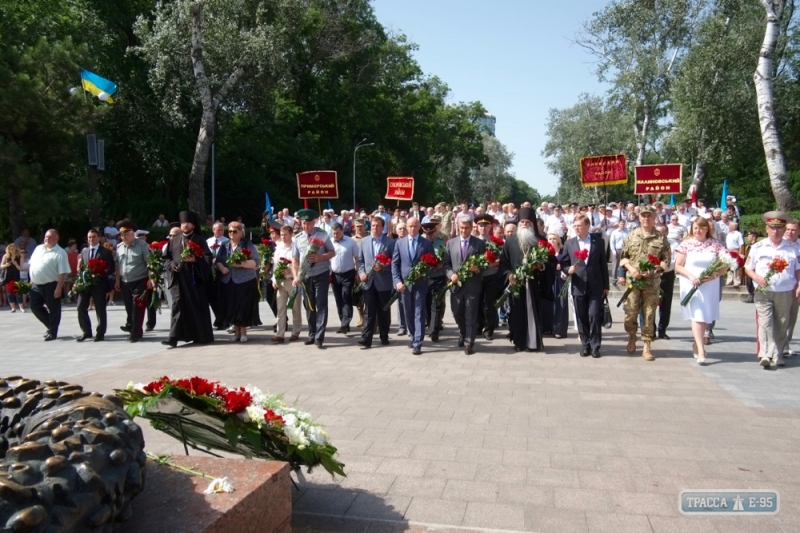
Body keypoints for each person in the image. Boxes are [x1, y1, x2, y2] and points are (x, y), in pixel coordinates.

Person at [745, 211, 800, 368]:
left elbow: (798, 270)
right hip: (763, 291)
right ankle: (764, 354)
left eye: (779, 228)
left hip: (785, 290)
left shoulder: (792, 248)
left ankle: (777, 353)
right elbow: (748, 267)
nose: (775, 231)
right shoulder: (758, 247)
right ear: (766, 229)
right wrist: (756, 278)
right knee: (765, 322)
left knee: (782, 323)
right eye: (772, 228)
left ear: (783, 230)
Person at [618, 205, 672, 361]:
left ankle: (647, 345)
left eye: (649, 216)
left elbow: (666, 261)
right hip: (633, 281)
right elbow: (623, 257)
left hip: (652, 283)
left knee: (649, 314)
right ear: (639, 217)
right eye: (643, 216)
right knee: (630, 312)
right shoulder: (631, 236)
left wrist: (655, 269)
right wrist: (630, 269)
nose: (646, 218)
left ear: (654, 217)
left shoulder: (661, 238)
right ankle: (632, 336)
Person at [674, 217, 728, 364]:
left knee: (705, 317)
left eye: (701, 228)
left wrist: (714, 275)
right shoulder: (686, 244)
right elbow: (678, 266)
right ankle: (701, 349)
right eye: (695, 228)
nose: (698, 231)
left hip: (710, 285)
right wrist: (691, 276)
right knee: (697, 315)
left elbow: (726, 264)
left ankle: (697, 343)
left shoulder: (715, 244)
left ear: (707, 229)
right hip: (691, 283)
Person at [499, 207, 550, 352]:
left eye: (528, 222)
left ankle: (533, 343)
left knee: (532, 311)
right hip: (516, 284)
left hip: (534, 284)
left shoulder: (540, 241)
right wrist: (509, 276)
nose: (525, 224)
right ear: (518, 223)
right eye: (522, 221)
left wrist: (540, 266)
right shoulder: (510, 242)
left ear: (532, 223)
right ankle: (519, 342)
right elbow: (504, 264)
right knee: (517, 313)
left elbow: (549, 262)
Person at [162, 211, 215, 348]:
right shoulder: (174, 240)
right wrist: (172, 265)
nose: (185, 225)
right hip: (179, 280)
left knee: (197, 306)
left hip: (194, 279)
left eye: (187, 223)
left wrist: (195, 259)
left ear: (193, 225)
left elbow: (208, 258)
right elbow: (166, 259)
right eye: (183, 223)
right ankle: (173, 337)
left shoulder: (199, 239)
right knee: (177, 306)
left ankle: (201, 336)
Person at [560, 214, 609, 358]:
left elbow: (603, 265)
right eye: (574, 226)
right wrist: (567, 269)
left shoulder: (598, 241)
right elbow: (564, 263)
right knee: (581, 317)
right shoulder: (570, 243)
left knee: (594, 315)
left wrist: (606, 286)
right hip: (578, 285)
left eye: (579, 225)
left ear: (587, 226)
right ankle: (585, 344)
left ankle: (595, 346)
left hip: (595, 285)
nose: (576, 228)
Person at [292, 209, 336, 348]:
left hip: (321, 274)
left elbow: (332, 252)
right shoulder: (297, 238)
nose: (305, 226)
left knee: (321, 304)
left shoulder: (322, 235)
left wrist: (320, 257)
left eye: (308, 223)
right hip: (306, 276)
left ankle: (319, 336)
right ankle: (312, 333)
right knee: (309, 305)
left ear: (314, 222)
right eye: (303, 223)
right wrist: (295, 276)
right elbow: (294, 259)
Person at [392, 216, 435, 355]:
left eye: (414, 226)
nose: (411, 229)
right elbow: (395, 264)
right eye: (409, 226)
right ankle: (412, 335)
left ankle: (418, 342)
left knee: (419, 312)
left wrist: (423, 272)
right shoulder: (399, 243)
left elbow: (432, 262)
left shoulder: (426, 243)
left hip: (420, 284)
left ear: (419, 227)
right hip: (404, 284)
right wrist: (397, 281)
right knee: (408, 312)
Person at [444, 215, 486, 355]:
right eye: (461, 228)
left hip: (472, 286)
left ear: (471, 227)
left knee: (471, 314)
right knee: (457, 313)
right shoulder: (451, 243)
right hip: (456, 286)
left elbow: (484, 264)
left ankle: (469, 342)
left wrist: (478, 268)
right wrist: (451, 275)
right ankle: (463, 332)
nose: (463, 230)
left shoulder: (479, 244)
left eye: (466, 228)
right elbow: (446, 264)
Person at [215, 221, 260, 342]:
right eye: (229, 231)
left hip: (244, 280)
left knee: (242, 307)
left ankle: (244, 332)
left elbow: (256, 262)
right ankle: (236, 332)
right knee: (232, 306)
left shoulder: (247, 244)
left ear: (240, 232)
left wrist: (241, 264)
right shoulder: (224, 245)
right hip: (228, 280)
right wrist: (221, 267)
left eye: (234, 231)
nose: (231, 233)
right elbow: (218, 260)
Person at [356, 216, 395, 349]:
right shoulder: (364, 241)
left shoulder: (390, 243)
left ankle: (384, 335)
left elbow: (395, 263)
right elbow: (360, 261)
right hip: (368, 282)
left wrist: (383, 267)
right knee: (369, 311)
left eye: (377, 226)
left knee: (383, 311)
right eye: (373, 225)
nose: (375, 228)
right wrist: (361, 273)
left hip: (384, 282)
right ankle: (366, 338)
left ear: (382, 227)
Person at [28, 229, 71, 341]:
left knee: (54, 309)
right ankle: (51, 326)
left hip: (51, 284)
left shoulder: (60, 252)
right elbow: (32, 264)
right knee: (34, 306)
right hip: (36, 284)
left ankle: (52, 332)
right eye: (47, 237)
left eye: (51, 237)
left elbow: (63, 272)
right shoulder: (38, 249)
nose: (48, 239)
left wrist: (58, 288)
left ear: (57, 238)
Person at [76, 229, 115, 342]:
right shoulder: (84, 251)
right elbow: (82, 267)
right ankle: (86, 331)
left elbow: (111, 268)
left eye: (94, 237)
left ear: (98, 238)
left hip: (99, 284)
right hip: (86, 284)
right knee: (80, 306)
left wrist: (100, 273)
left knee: (100, 308)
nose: (91, 239)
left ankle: (100, 333)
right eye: (89, 237)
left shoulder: (105, 252)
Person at [115, 221, 151, 343]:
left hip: (139, 280)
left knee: (137, 307)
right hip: (125, 281)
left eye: (126, 234)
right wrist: (117, 280)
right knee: (129, 307)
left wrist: (151, 279)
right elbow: (118, 265)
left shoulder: (142, 245)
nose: (123, 237)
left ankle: (136, 333)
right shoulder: (119, 247)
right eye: (121, 235)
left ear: (133, 233)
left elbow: (149, 263)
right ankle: (133, 328)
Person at [271, 225, 301, 343]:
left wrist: (291, 271)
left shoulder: (296, 247)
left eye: (285, 235)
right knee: (280, 309)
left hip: (292, 281)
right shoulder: (279, 248)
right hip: (281, 282)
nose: (283, 237)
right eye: (282, 235)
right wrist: (274, 279)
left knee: (295, 308)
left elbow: (300, 264)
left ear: (291, 234)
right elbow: (275, 265)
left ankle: (296, 331)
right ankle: (280, 334)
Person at [474, 214, 502, 340]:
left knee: (490, 303)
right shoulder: (473, 241)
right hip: (477, 276)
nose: (483, 228)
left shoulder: (495, 242)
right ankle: (479, 326)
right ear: (477, 227)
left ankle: (489, 329)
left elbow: (501, 259)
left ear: (490, 227)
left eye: (485, 226)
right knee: (478, 302)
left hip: (491, 275)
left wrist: (493, 263)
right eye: (481, 226)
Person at [329, 222, 359, 334]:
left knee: (346, 297)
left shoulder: (351, 242)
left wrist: (357, 273)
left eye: (337, 233)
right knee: (338, 300)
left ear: (342, 231)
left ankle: (345, 323)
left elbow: (357, 257)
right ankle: (343, 321)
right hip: (335, 275)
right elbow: (327, 259)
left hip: (348, 274)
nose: (335, 235)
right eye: (333, 233)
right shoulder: (330, 243)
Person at [421, 215, 447, 341]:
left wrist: (442, 263)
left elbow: (446, 258)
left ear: (435, 231)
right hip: (424, 277)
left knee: (436, 303)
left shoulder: (442, 242)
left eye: (431, 233)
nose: (429, 236)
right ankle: (430, 323)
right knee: (426, 304)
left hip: (438, 277)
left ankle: (434, 331)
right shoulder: (420, 242)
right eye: (427, 234)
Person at [206, 222, 229, 329]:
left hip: (223, 271)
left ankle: (224, 320)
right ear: (213, 230)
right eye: (217, 230)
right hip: (210, 271)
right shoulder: (208, 241)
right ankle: (219, 318)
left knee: (222, 297)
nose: (220, 232)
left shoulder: (227, 241)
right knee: (213, 297)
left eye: (221, 230)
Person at [656, 224, 677, 340]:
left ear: (667, 233)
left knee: (666, 303)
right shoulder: (651, 242)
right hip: (653, 274)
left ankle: (662, 330)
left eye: (662, 232)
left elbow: (675, 260)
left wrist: (663, 266)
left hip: (667, 274)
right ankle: (651, 329)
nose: (660, 235)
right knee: (650, 302)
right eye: (658, 232)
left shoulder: (673, 244)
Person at [546, 233, 569, 338]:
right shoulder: (545, 252)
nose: (552, 240)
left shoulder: (563, 252)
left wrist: (563, 268)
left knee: (561, 304)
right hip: (549, 279)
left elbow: (567, 264)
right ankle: (549, 328)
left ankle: (560, 329)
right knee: (550, 304)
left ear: (558, 240)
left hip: (560, 279)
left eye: (554, 238)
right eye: (550, 239)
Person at [394, 220, 408, 336]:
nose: (402, 230)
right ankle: (402, 326)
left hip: (412, 277)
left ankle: (410, 326)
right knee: (401, 303)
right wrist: (396, 280)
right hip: (399, 278)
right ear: (396, 231)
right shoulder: (394, 243)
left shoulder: (411, 242)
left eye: (404, 228)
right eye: (400, 229)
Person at [1, 244, 25, 313]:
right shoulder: (5, 256)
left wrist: (16, 264)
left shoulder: (19, 256)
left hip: (16, 276)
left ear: (16, 249)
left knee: (18, 292)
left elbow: (21, 268)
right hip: (8, 276)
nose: (11, 250)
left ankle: (21, 307)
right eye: (10, 249)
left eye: (13, 249)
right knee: (9, 292)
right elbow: (1, 266)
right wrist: (6, 265)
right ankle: (13, 308)